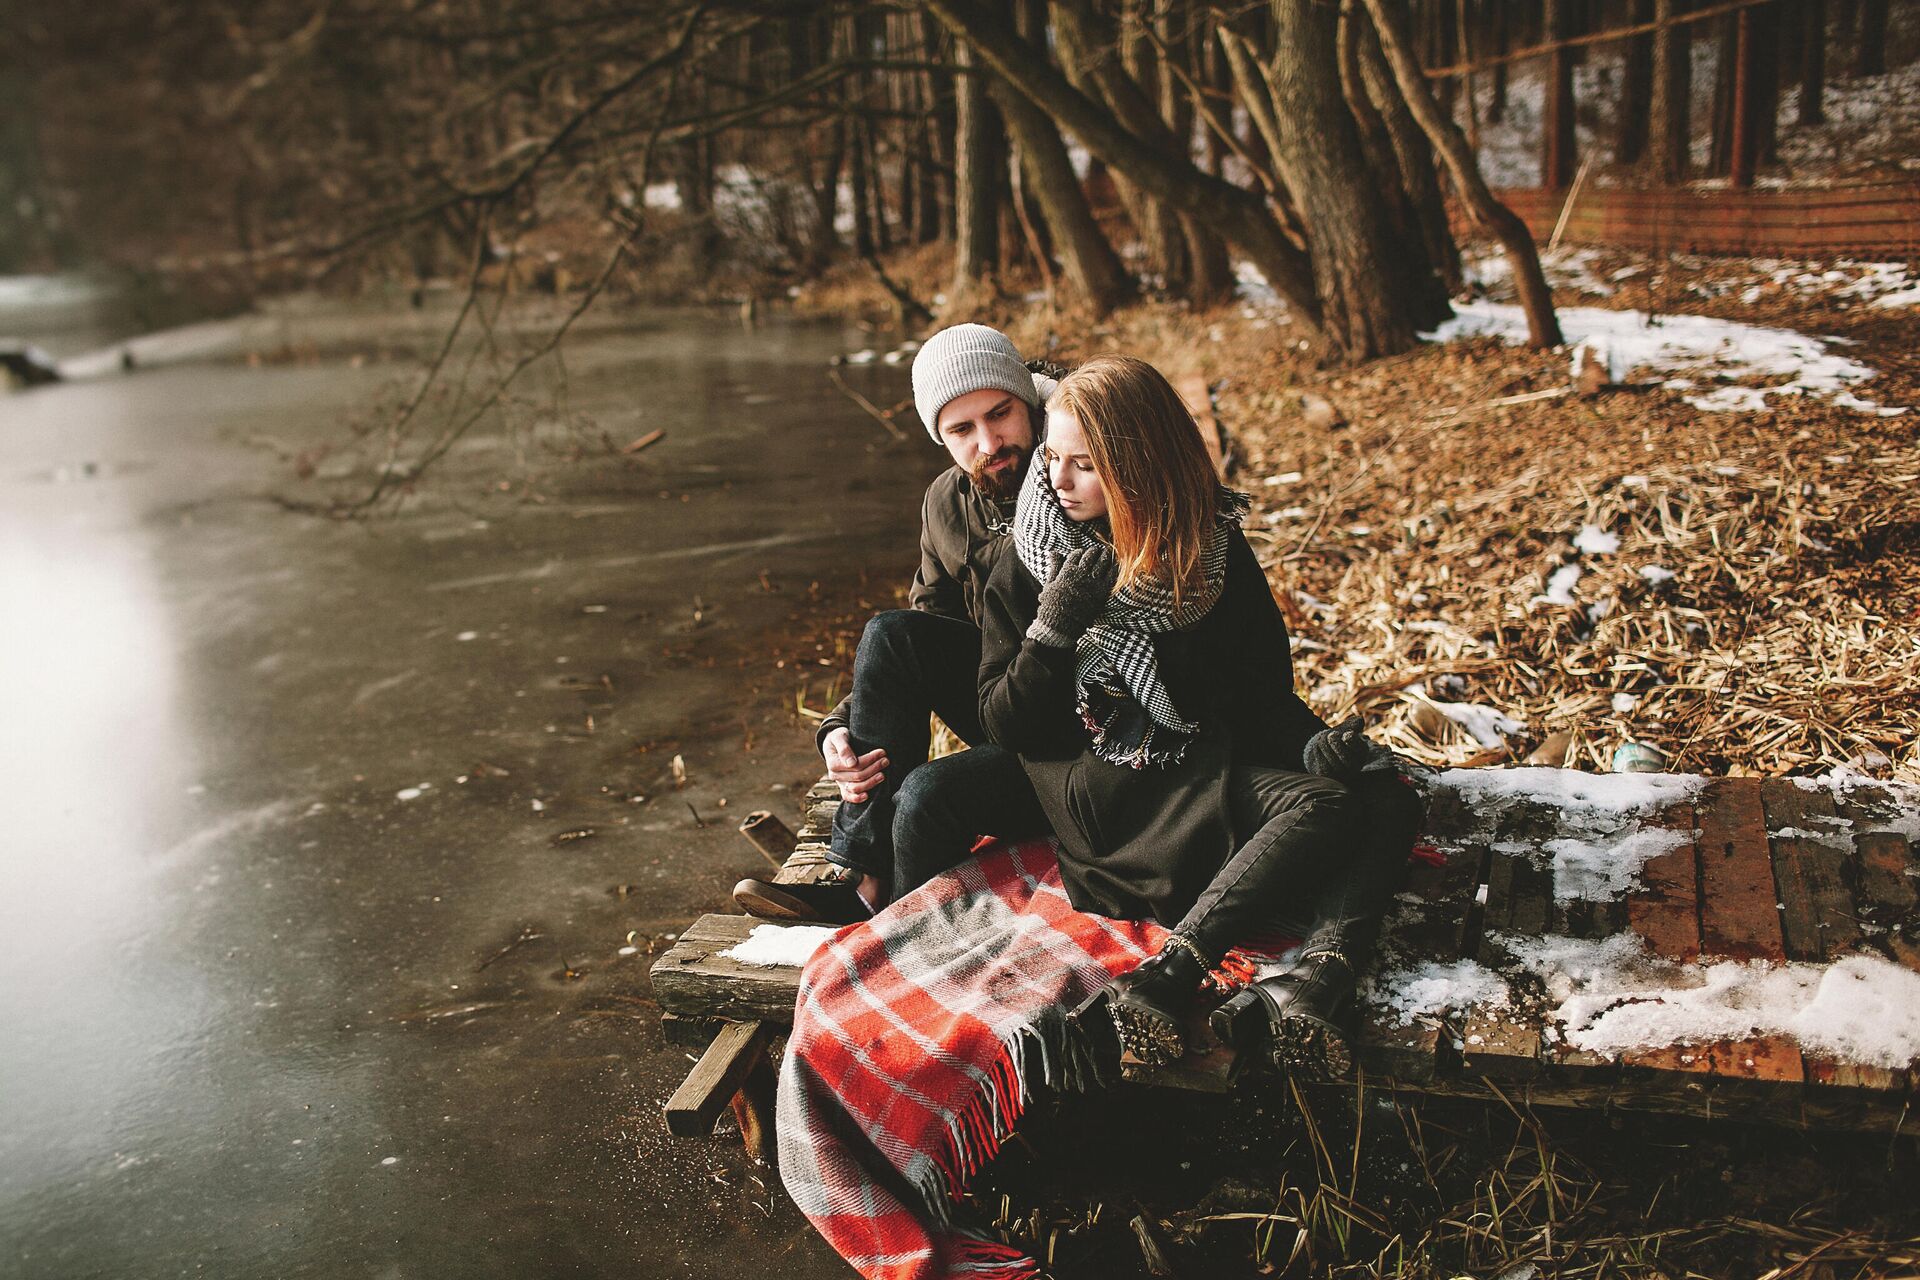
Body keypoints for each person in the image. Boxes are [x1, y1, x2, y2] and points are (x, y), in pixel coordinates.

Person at [976, 354, 1422, 1078]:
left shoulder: (1208, 553)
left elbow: (1257, 691)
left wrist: (1312, 746)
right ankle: (1164, 977)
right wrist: (1053, 631)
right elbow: (1005, 726)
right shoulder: (1031, 562)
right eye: (1053, 457)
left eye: (1083, 465)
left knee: (1381, 790)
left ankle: (1319, 980)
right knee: (1322, 812)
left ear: (1141, 466)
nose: (1057, 480)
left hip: (1199, 767)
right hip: (1112, 796)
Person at [733, 324, 1060, 925]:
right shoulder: (946, 502)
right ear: (940, 437)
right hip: (1005, 708)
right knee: (890, 633)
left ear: (1029, 401)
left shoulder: (1076, 474)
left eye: (1000, 415)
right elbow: (925, 633)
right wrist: (839, 729)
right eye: (962, 430)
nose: (988, 443)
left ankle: (892, 923)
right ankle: (865, 879)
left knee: (925, 795)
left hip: (1082, 735)